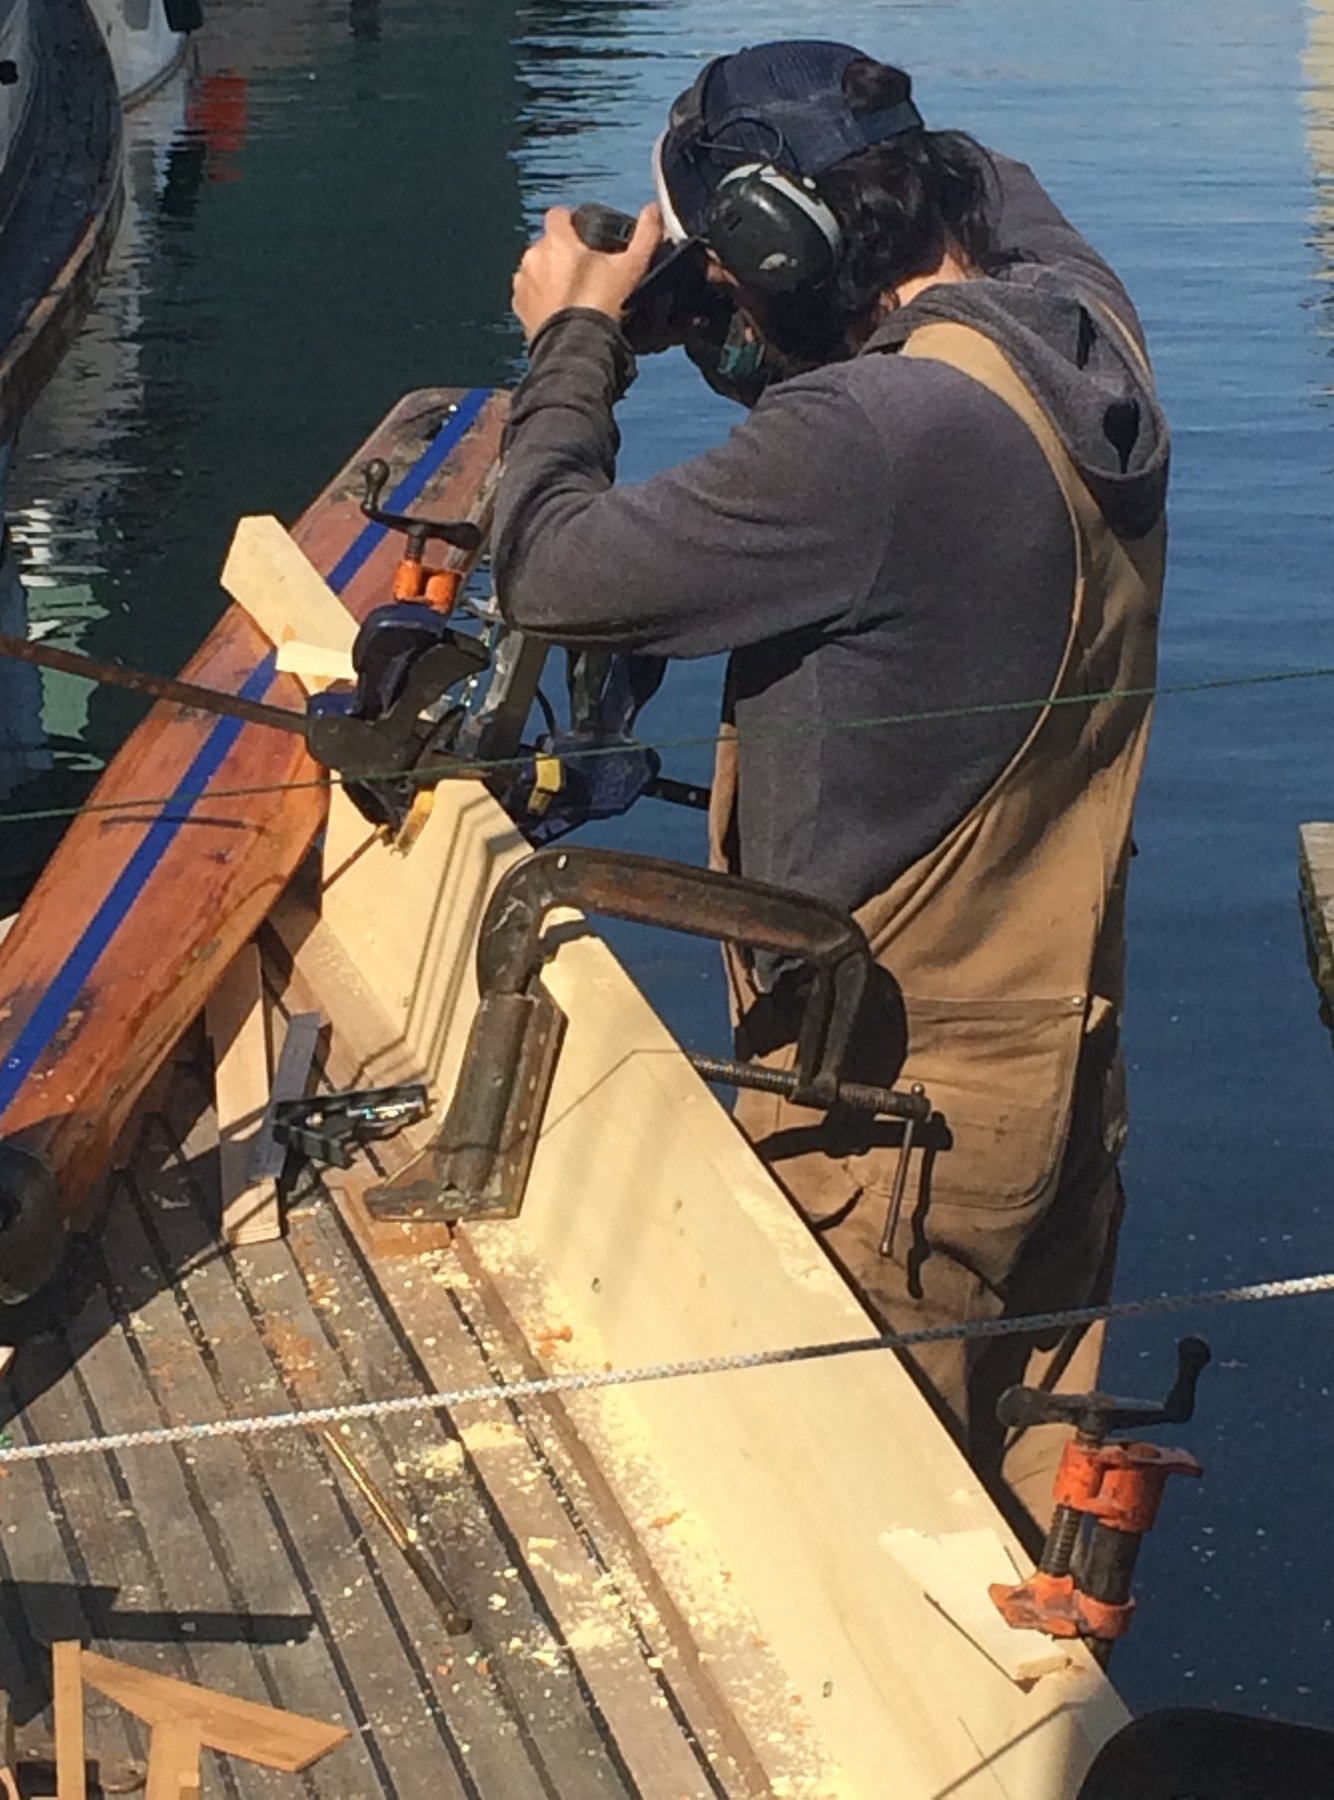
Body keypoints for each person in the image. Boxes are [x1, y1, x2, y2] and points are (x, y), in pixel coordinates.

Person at [492, 39, 1168, 1544]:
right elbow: (986, 174)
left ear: (785, 246)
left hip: (889, 1121)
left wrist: (584, 338)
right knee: (1011, 1541)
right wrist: (719, 276)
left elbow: (549, 565)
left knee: (857, 1535)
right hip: (1050, 1077)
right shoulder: (1077, 334)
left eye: (736, 272)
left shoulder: (871, 438)